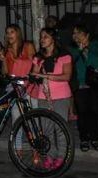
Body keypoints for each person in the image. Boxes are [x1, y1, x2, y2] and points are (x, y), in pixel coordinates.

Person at [29, 28, 73, 170]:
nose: (42, 39)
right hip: (43, 95)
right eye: (41, 37)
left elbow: (67, 76)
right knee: (46, 129)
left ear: (53, 39)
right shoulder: (38, 57)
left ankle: (61, 156)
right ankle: (49, 156)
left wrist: (47, 76)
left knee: (60, 128)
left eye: (45, 37)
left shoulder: (64, 55)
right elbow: (33, 74)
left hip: (61, 96)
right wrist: (37, 74)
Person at [72, 23, 98, 152]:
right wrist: (80, 50)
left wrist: (88, 46)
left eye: (79, 33)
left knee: (95, 111)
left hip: (96, 84)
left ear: (87, 35)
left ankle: (95, 138)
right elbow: (70, 61)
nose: (76, 36)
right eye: (74, 33)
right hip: (80, 85)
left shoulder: (96, 45)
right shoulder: (72, 49)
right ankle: (84, 139)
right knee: (82, 112)